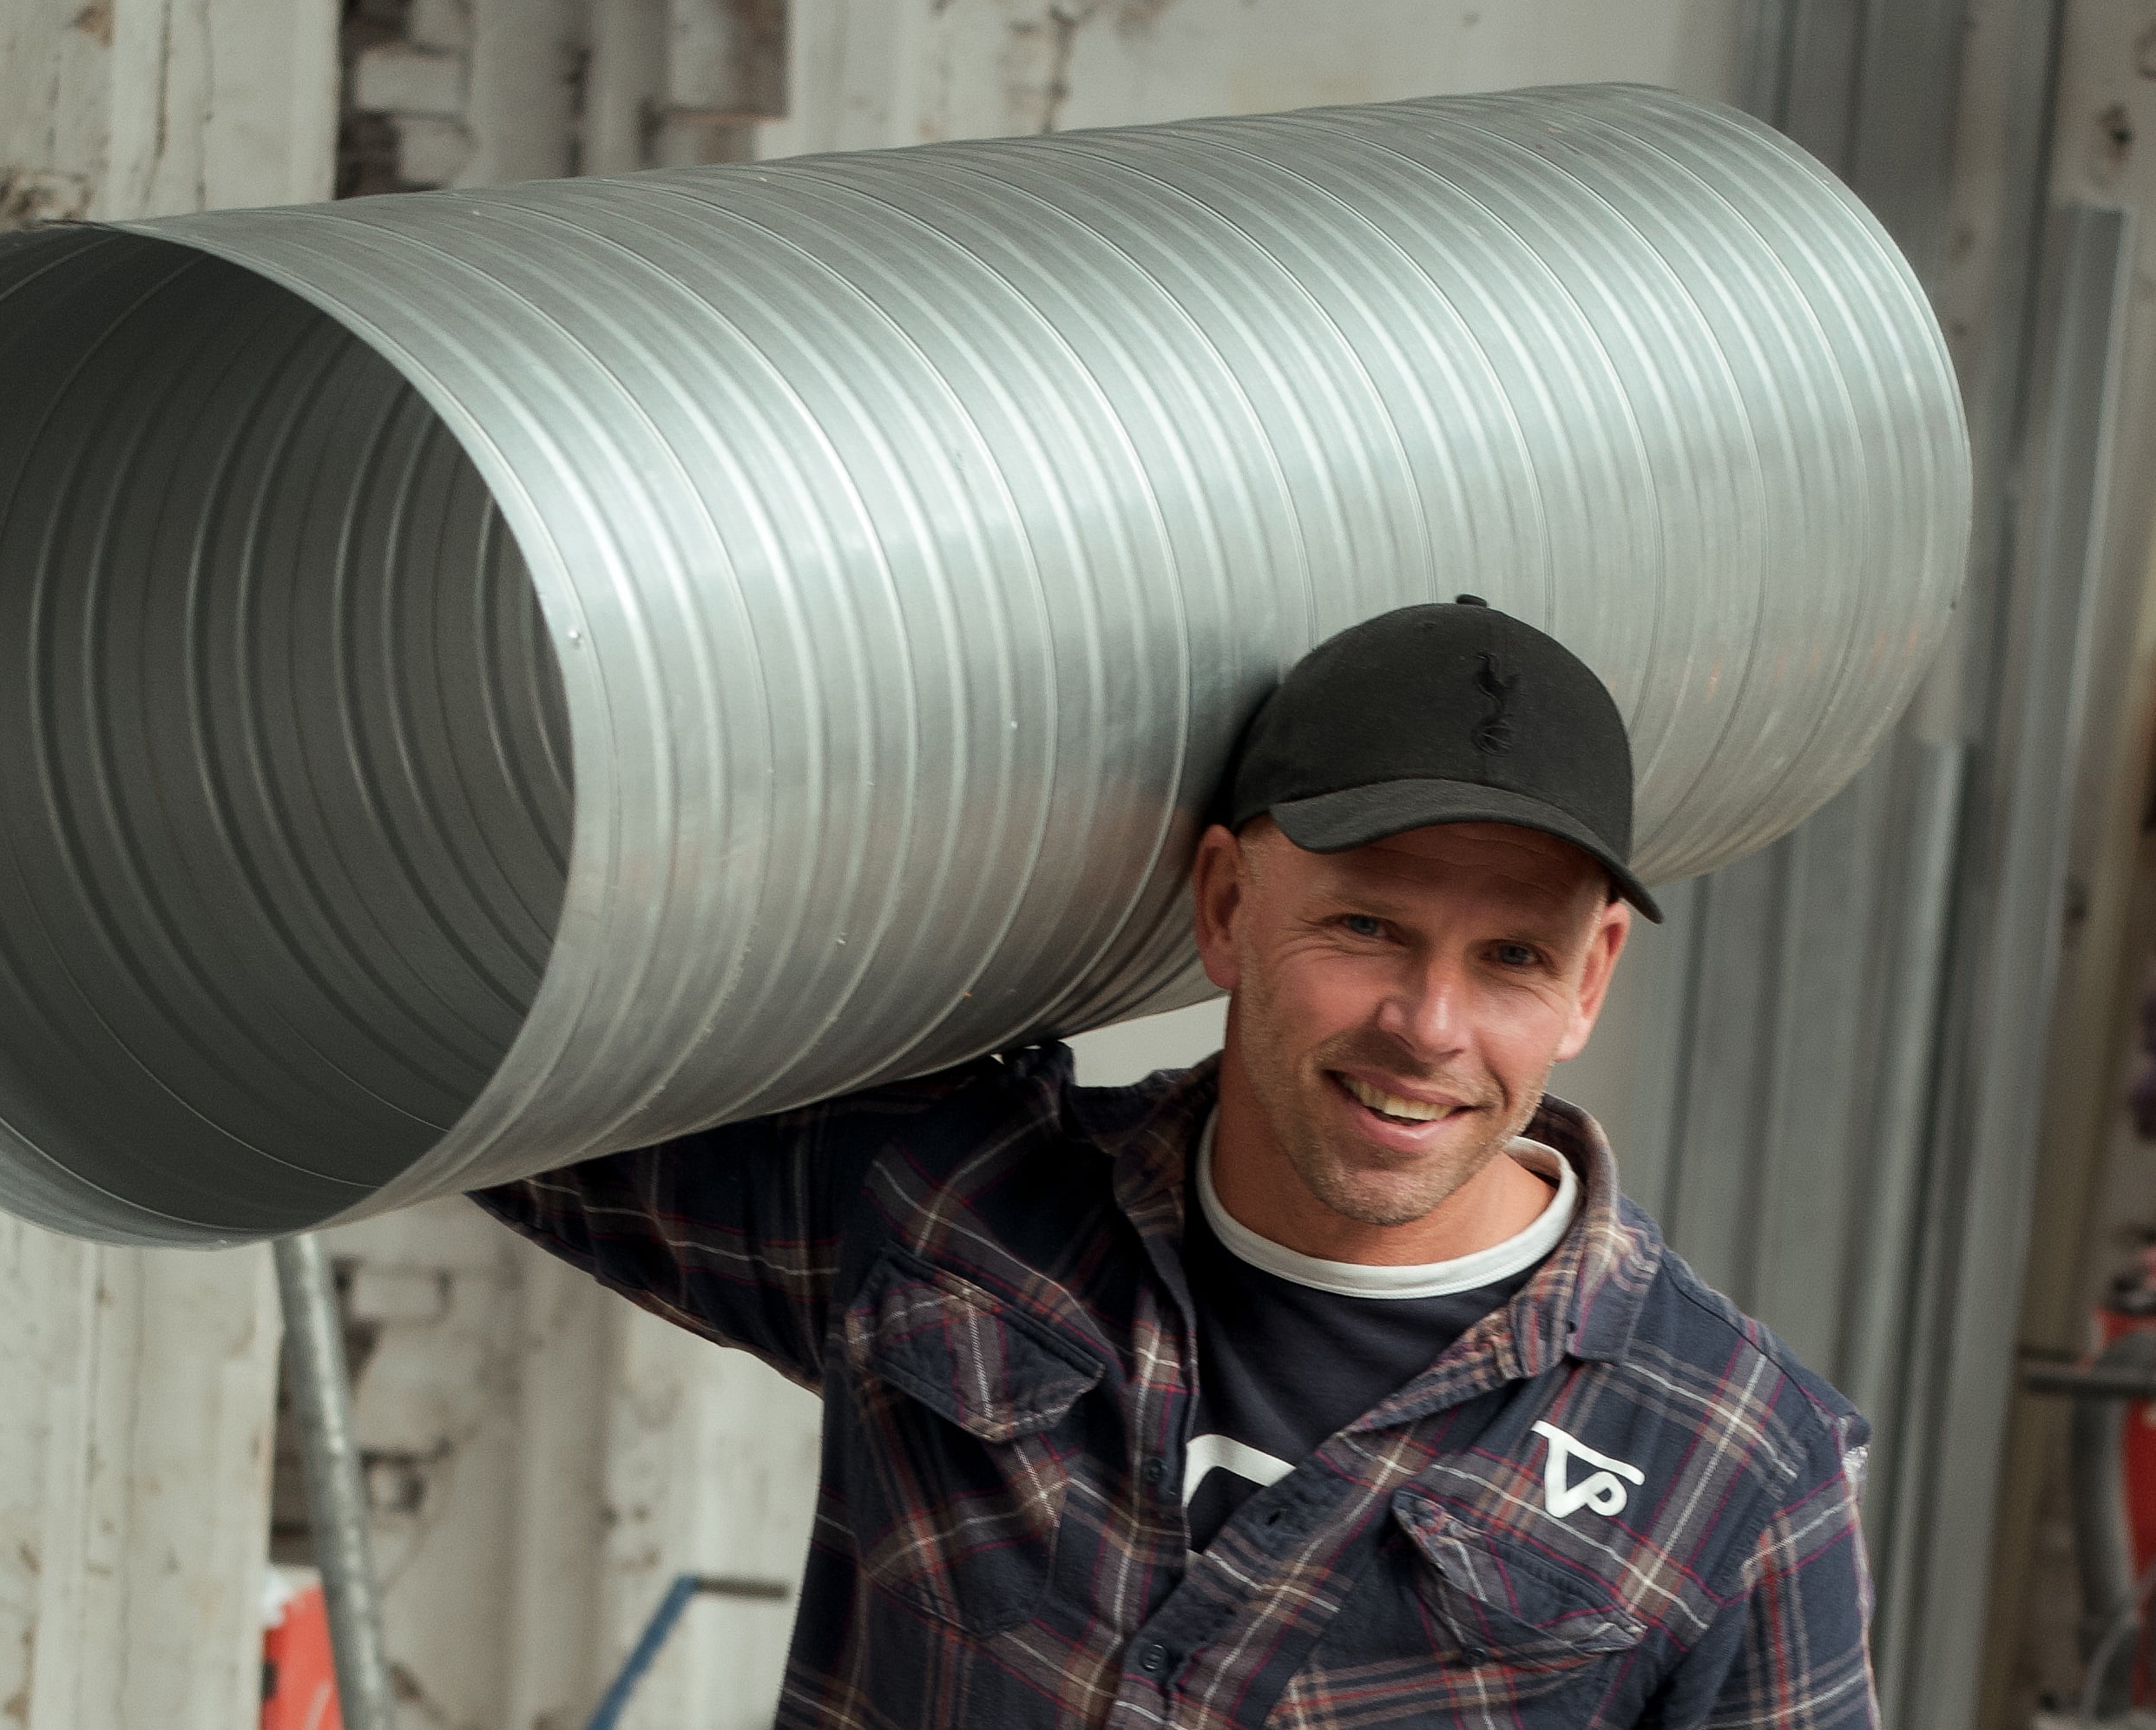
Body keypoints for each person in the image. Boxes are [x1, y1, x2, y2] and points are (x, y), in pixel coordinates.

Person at [474, 596, 1876, 1728]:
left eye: (1510, 957)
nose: (1427, 1029)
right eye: (1367, 929)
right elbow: (466, 1069)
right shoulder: (952, 1211)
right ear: (1223, 904)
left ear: (1588, 982)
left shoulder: (1731, 1469)